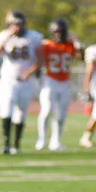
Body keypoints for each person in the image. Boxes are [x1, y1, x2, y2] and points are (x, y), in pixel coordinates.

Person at [0, 11, 44, 155]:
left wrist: (29, 73)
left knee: (21, 113)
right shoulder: (3, 36)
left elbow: (40, 60)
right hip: (8, 80)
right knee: (6, 109)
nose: (18, 27)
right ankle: (6, 144)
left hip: (25, 81)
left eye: (20, 24)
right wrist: (7, 37)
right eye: (15, 24)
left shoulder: (34, 37)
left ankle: (16, 144)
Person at [35, 19, 81, 151]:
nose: (59, 35)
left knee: (61, 115)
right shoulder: (47, 45)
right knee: (47, 110)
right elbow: (37, 58)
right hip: (50, 80)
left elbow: (80, 57)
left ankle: (56, 141)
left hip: (65, 82)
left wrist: (76, 41)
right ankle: (41, 139)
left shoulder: (70, 44)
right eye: (56, 32)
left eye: (61, 32)